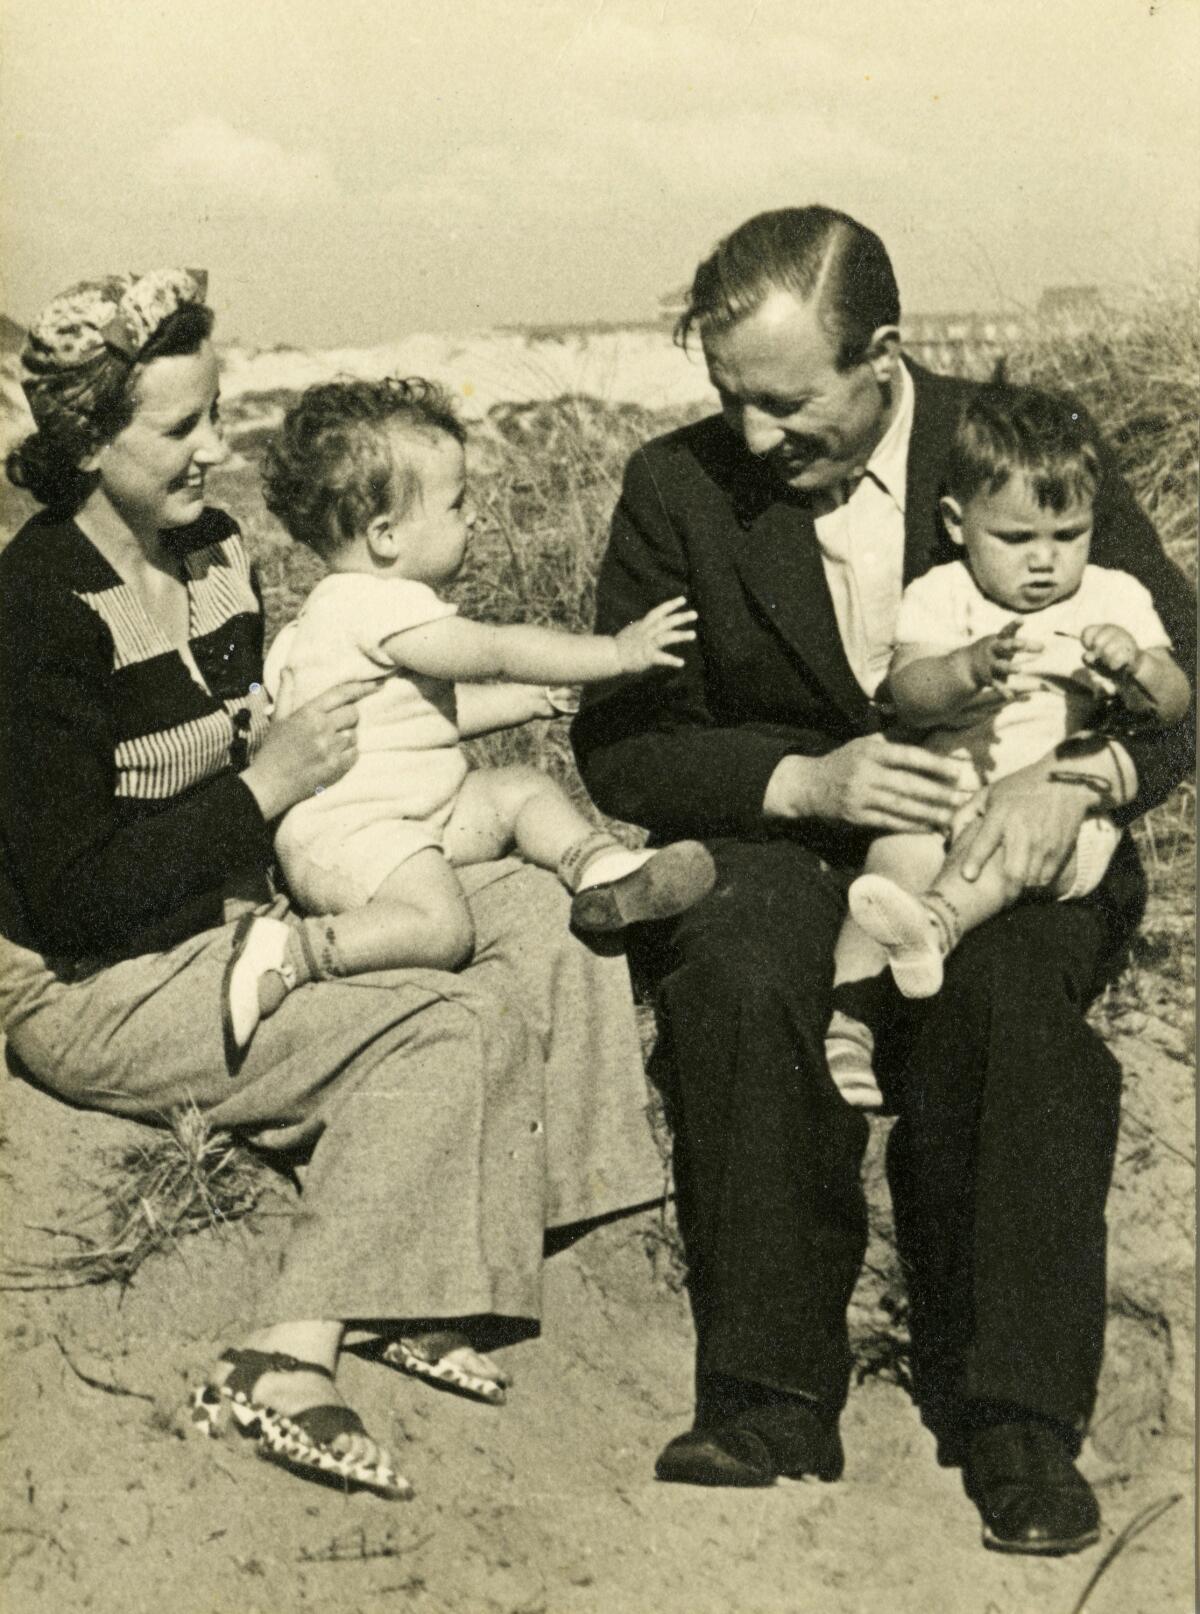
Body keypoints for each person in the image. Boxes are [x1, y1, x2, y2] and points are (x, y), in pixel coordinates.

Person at [571, 206, 1195, 1553]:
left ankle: (1017, 1418)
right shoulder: (674, 488)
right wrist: (802, 785)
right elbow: (619, 743)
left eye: (789, 406)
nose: (751, 438)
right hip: (791, 846)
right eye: (729, 399)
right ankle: (767, 1391)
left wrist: (1079, 779)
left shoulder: (1020, 446)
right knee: (736, 972)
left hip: (1008, 836)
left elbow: (1179, 680)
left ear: (887, 356)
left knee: (1015, 1001)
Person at [0, 269, 664, 1501]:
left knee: (546, 914)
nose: (216, 450)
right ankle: (281, 1356)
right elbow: (74, 894)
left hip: (240, 915)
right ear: (88, 441)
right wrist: (257, 794)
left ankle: (496, 1254)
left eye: (217, 413)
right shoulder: (33, 614)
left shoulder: (215, 556)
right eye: (182, 428)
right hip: (95, 980)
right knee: (443, 1017)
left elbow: (338, 730)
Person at [222, 377, 714, 1064]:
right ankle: (293, 952)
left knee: (519, 789)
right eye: (456, 504)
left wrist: (535, 702)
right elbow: (495, 651)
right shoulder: (375, 604)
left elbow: (429, 718)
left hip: (408, 817)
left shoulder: (329, 620)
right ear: (386, 536)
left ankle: (601, 871)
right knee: (442, 926)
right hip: (352, 838)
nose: (474, 517)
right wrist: (614, 654)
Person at [825, 383, 1191, 1108]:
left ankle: (938, 924)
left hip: (1054, 820)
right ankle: (850, 1025)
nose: (1045, 563)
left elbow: (1175, 703)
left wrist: (1137, 667)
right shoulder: (943, 594)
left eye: (1069, 535)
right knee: (889, 866)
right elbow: (908, 692)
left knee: (998, 852)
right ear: (959, 524)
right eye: (1017, 540)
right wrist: (965, 668)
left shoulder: (1114, 597)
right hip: (943, 798)